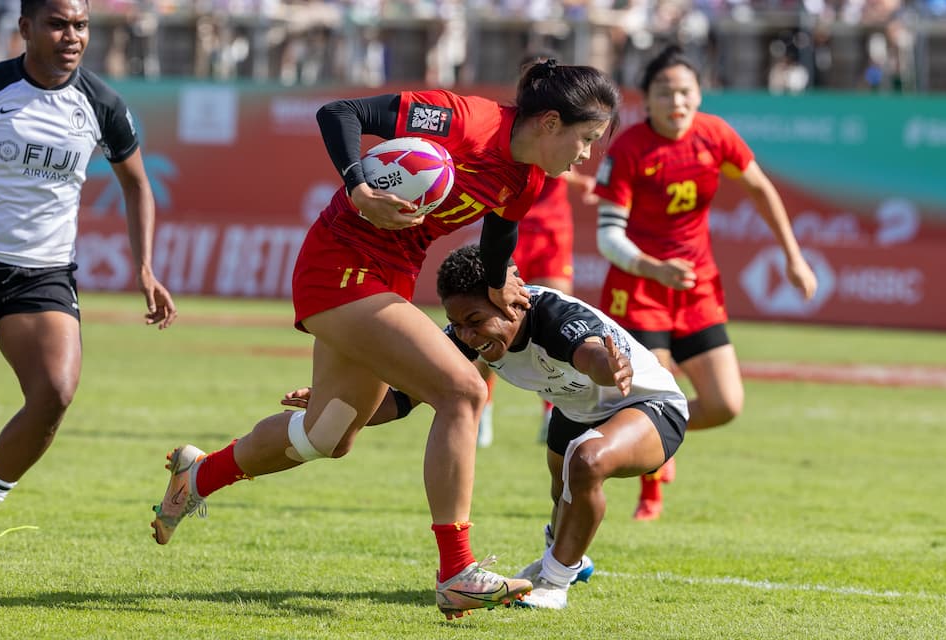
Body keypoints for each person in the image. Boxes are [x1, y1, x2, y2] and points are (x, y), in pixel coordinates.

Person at [149, 60, 620, 619]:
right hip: (340, 264)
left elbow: (500, 228)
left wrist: (498, 281)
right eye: (586, 139)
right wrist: (360, 187)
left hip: (390, 275)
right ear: (548, 122)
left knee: (327, 436)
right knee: (463, 391)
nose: (588, 154)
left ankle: (197, 475)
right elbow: (339, 113)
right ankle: (457, 572)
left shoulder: (530, 178)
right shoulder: (464, 120)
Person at [283, 245, 688, 609]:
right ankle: (569, 557)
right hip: (577, 408)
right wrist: (335, 407)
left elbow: (589, 355)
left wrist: (608, 367)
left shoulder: (553, 315)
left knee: (585, 462)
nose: (467, 335)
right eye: (457, 324)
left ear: (511, 301)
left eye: (475, 321)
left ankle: (555, 582)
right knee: (562, 490)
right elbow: (402, 399)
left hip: (648, 404)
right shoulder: (465, 335)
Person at [593, 44, 818, 521]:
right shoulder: (631, 147)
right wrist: (653, 267)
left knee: (725, 405)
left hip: (697, 288)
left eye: (685, 92)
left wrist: (793, 257)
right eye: (664, 92)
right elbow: (608, 236)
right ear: (646, 99)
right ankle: (650, 493)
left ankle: (649, 430)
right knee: (652, 392)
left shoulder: (715, 135)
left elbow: (761, 189)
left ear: (699, 95)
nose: (677, 102)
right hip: (638, 289)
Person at [0, 0, 177, 566]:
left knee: (55, 394)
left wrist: (144, 266)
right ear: (24, 29)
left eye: (81, 25)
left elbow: (138, 185)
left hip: (40, 274)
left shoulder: (102, 104)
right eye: (57, 23)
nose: (71, 36)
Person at [476, 51, 600, 448]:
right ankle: (482, 408)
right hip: (509, 231)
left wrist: (579, 183)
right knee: (492, 323)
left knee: (553, 319)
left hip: (552, 232)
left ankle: (554, 412)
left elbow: (562, 165)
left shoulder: (562, 128)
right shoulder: (517, 131)